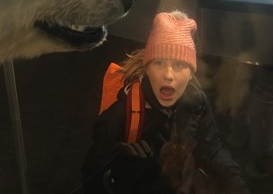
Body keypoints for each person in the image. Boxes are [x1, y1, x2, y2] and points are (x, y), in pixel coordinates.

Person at [82, 11, 250, 193]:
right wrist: (122, 175)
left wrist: (235, 182)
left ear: (191, 72)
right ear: (147, 68)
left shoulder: (195, 101)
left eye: (179, 64)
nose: (168, 75)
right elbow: (92, 183)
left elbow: (213, 149)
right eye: (159, 63)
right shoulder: (120, 117)